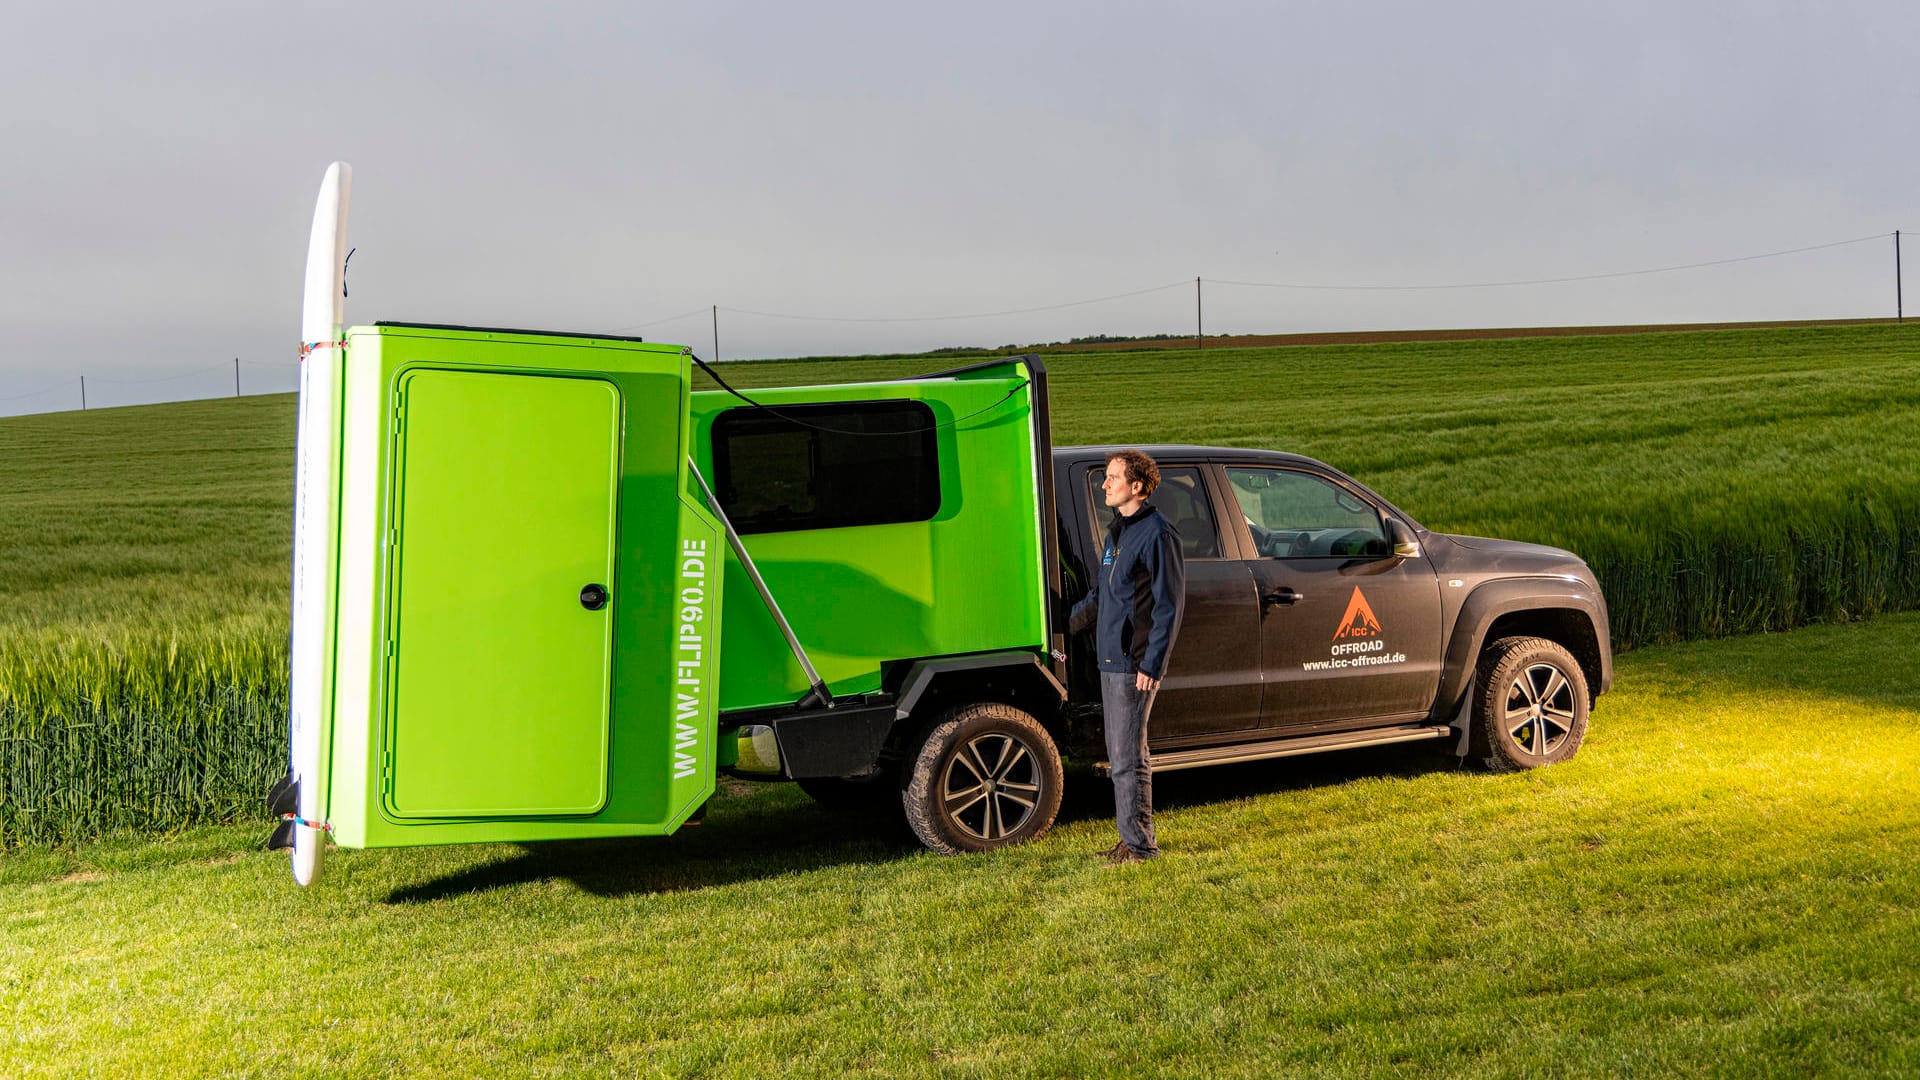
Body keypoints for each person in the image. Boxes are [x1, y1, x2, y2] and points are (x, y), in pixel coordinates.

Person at [1068, 449, 1186, 865]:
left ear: (1136, 485)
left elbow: (1168, 606)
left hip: (1133, 666)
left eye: (1112, 477)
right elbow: (1103, 596)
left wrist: (1152, 664)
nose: (1104, 484)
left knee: (1127, 760)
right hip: (1110, 662)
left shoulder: (1157, 534)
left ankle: (1139, 847)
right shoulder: (1118, 532)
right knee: (1124, 756)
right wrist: (1065, 624)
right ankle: (1131, 840)